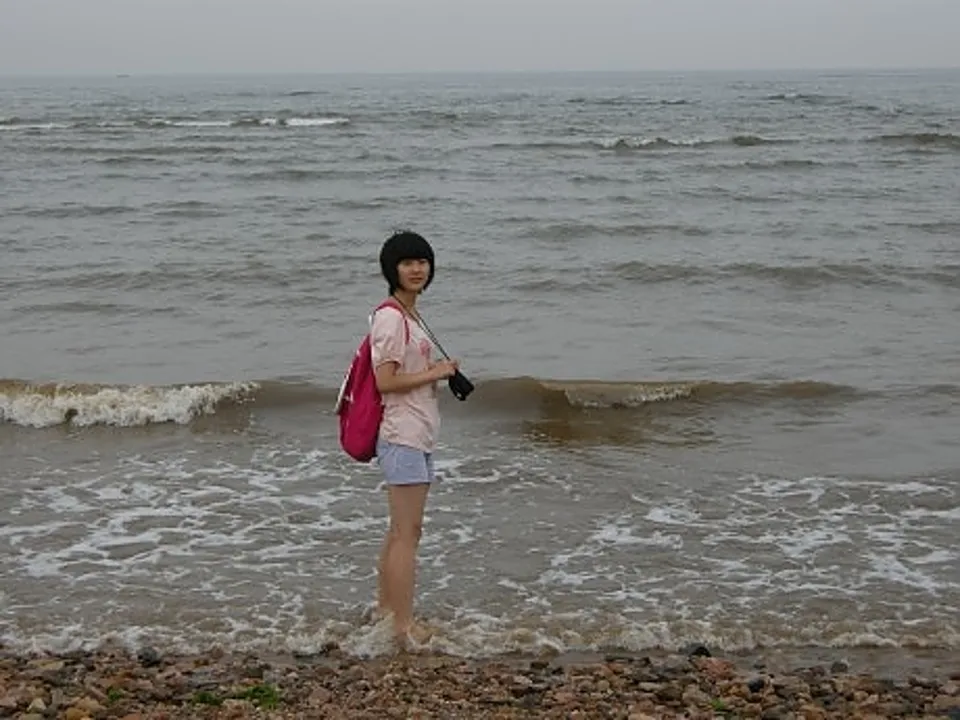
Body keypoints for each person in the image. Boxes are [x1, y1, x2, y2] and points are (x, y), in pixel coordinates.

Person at [369, 230, 459, 648]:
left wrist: (437, 372)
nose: (417, 269)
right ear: (392, 269)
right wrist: (435, 372)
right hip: (402, 434)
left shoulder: (410, 314)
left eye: (422, 262)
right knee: (407, 533)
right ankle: (403, 626)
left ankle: (386, 612)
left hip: (415, 433)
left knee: (401, 531)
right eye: (407, 263)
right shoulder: (391, 317)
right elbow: (385, 382)